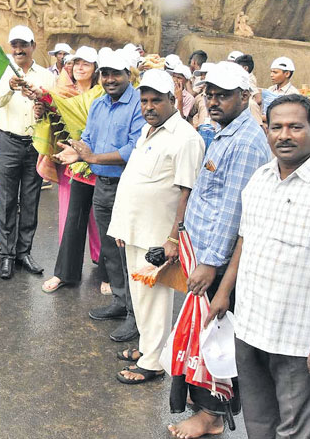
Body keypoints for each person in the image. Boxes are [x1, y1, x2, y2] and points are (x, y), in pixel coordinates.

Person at [206, 94, 310, 439]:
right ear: (266, 130)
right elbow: (245, 241)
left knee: (296, 431)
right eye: (276, 127)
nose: (284, 135)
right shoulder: (259, 179)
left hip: (304, 339)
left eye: (295, 127)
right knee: (259, 425)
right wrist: (224, 293)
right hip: (252, 328)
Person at [168, 61, 270, 439]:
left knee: (214, 336)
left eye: (223, 95)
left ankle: (212, 415)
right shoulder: (227, 131)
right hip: (205, 252)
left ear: (244, 96)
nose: (213, 101)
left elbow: (232, 211)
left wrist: (211, 265)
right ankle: (205, 408)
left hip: (218, 261)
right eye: (209, 94)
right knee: (202, 334)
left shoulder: (244, 142)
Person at [104, 69, 205, 384]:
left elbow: (187, 192)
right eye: (144, 100)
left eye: (156, 100)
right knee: (140, 296)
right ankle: (148, 349)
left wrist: (173, 240)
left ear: (172, 100)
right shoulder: (149, 132)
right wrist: (122, 226)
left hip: (158, 238)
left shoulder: (186, 138)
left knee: (154, 300)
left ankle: (153, 363)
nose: (148, 106)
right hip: (134, 230)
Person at [75, 50, 145, 343]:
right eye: (105, 73)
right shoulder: (98, 103)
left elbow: (133, 148)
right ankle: (119, 300)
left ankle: (135, 315)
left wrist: (93, 156)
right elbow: (88, 137)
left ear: (128, 75)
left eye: (116, 73)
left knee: (127, 250)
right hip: (101, 184)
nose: (110, 79)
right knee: (109, 248)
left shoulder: (138, 104)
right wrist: (75, 150)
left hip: (127, 186)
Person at [0, 25, 56, 280]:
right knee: (6, 200)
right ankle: (6, 256)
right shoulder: (4, 72)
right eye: (14, 45)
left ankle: (23, 252)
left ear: (32, 47)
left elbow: (54, 104)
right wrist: (10, 86)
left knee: (31, 200)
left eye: (23, 45)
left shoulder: (46, 76)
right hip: (8, 142)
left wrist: (44, 109)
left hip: (35, 142)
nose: (18, 50)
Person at [42, 46, 105, 293]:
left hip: (98, 161)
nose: (79, 67)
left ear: (94, 69)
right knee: (71, 215)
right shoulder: (62, 93)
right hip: (69, 160)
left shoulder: (101, 94)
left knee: (99, 217)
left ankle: (103, 266)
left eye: (86, 64)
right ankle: (66, 270)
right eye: (76, 63)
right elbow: (51, 118)